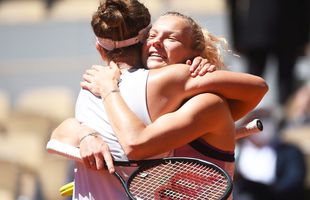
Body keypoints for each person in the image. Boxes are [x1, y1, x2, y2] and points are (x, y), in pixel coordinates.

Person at [50, 0, 268, 199]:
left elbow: (135, 144)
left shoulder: (206, 102)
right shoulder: (108, 86)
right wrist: (85, 135)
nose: (156, 43)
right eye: (153, 35)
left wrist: (109, 90)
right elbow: (63, 130)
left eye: (170, 38)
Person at [226, 0, 310, 105]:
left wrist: (237, 37)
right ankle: (282, 116)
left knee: (251, 86)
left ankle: (245, 115)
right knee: (283, 84)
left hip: (259, 28)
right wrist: (303, 38)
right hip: (287, 29)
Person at [234, 108, 307, 200]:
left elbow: (293, 183)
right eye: (257, 118)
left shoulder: (290, 152)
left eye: (266, 118)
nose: (262, 123)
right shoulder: (236, 152)